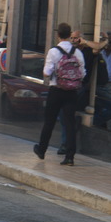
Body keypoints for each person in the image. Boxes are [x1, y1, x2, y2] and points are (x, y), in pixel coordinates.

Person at [34, 22, 85, 166]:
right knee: (70, 123)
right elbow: (83, 74)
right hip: (72, 92)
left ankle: (42, 149)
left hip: (56, 90)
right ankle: (70, 157)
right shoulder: (78, 53)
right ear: (70, 35)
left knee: (49, 121)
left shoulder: (53, 52)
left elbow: (46, 73)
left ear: (58, 35)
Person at [56, 30, 109, 154]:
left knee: (67, 114)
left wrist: (104, 40)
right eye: (72, 38)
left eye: (76, 38)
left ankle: (66, 144)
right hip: (65, 85)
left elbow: (98, 47)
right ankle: (66, 142)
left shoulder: (88, 51)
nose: (74, 40)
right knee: (64, 115)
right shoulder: (68, 49)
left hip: (80, 86)